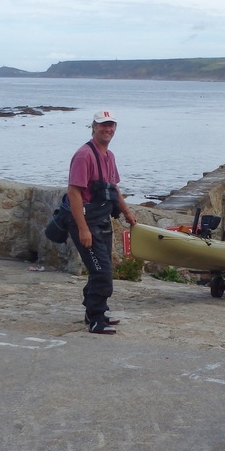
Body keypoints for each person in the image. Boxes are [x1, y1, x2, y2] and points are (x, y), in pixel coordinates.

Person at [67, 110, 138, 335]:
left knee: (101, 268)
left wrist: (126, 211)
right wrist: (82, 229)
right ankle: (96, 319)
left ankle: (94, 310)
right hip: (86, 222)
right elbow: (74, 192)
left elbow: (113, 187)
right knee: (102, 273)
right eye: (103, 125)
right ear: (94, 127)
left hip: (102, 220)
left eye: (111, 125)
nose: (108, 129)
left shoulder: (109, 156)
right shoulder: (84, 156)